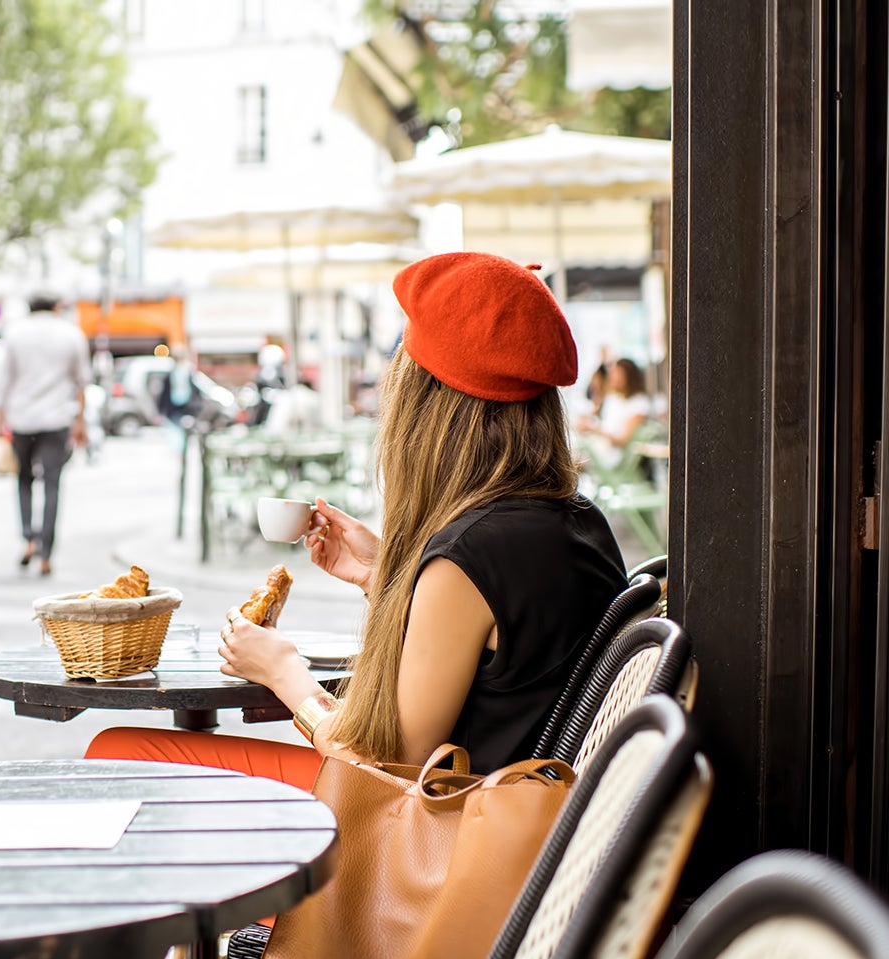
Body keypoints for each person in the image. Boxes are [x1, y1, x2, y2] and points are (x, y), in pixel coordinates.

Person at [86, 252, 627, 786]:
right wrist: (385, 577)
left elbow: (385, 765)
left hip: (440, 835)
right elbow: (507, 664)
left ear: (427, 410)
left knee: (120, 751)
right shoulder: (579, 521)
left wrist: (282, 672)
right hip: (518, 815)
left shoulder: (469, 559)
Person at [0, 293, 90, 577]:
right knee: (52, 484)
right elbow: (81, 380)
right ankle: (46, 553)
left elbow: (5, 379)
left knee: (23, 478)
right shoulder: (71, 334)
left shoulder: (14, 332)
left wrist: (0, 416)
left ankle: (28, 538)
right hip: (57, 417)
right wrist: (80, 420)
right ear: (57, 306)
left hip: (22, 417)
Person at [577, 357, 653, 468]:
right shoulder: (613, 398)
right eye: (613, 374)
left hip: (616, 456)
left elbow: (622, 440)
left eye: (619, 374)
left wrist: (595, 430)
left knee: (579, 455)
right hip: (603, 447)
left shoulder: (639, 403)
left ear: (629, 377)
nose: (614, 378)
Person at [156, 346, 201, 451]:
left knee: (182, 436)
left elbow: (195, 392)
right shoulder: (174, 374)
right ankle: (180, 454)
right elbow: (165, 394)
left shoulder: (188, 373)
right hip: (174, 409)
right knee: (176, 436)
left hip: (185, 408)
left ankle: (181, 454)